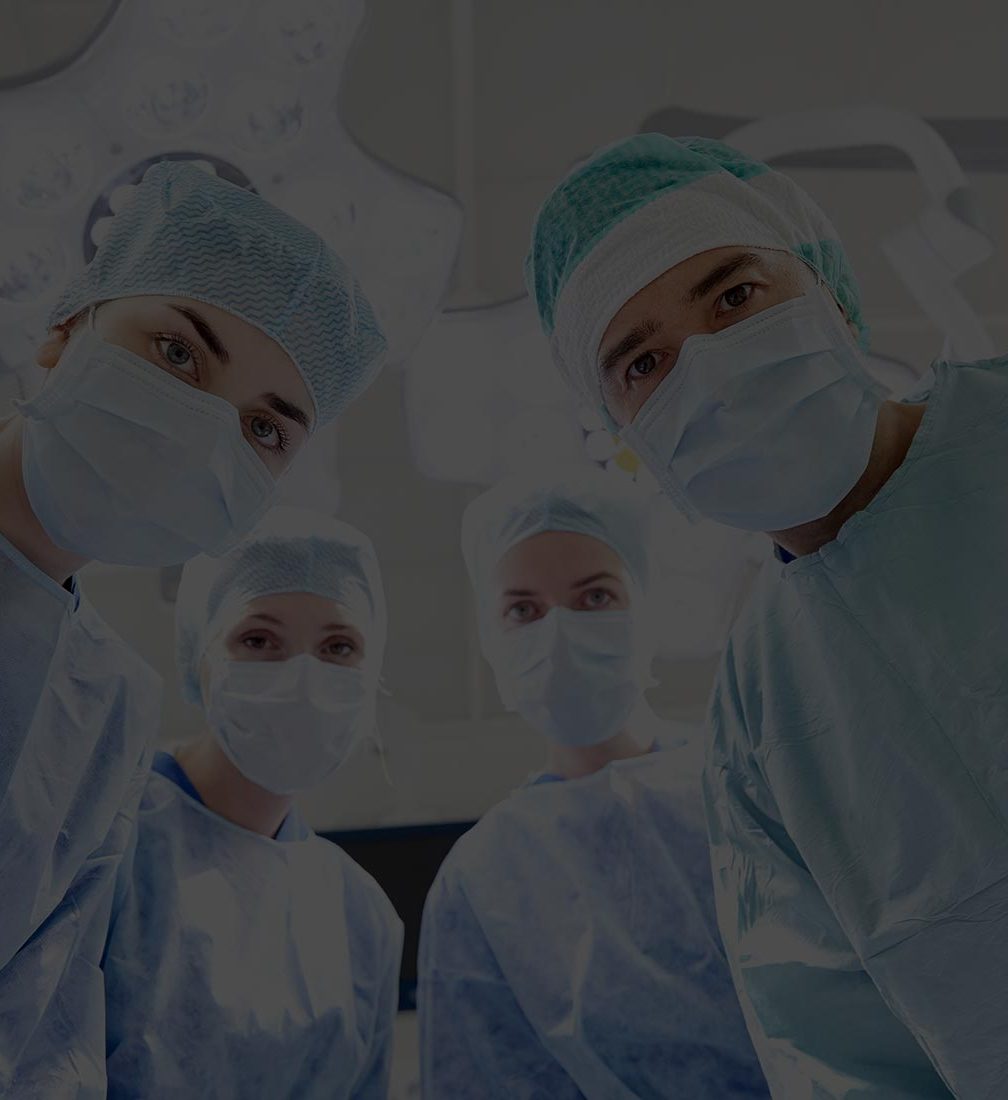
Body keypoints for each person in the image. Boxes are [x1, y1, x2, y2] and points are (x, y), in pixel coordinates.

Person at [524, 132, 1008, 1096]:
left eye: (734, 297)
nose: (711, 369)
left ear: (828, 288)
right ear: (629, 442)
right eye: (645, 363)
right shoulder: (760, 734)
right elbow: (845, 1061)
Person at [0, 161, 387, 1095]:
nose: (203, 431)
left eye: (264, 429)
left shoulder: (101, 711)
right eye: (178, 353)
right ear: (65, 326)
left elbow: (42, 1032)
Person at [417, 465, 770, 1099]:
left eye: (595, 597)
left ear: (647, 609)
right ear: (493, 641)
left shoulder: (746, 790)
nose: (560, 631)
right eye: (523, 609)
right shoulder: (482, 878)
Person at [102, 505, 402, 1099]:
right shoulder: (105, 845)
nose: (302, 678)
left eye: (338, 646)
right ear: (201, 658)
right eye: (259, 640)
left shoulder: (361, 917)